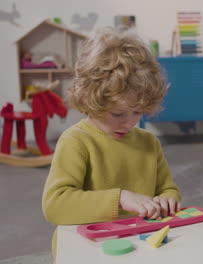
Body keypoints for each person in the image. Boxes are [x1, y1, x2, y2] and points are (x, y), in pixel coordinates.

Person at [42, 27, 181, 257]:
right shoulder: (76, 141)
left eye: (137, 112)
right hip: (88, 249)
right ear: (90, 99)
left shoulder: (148, 142)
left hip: (140, 244)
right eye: (118, 114)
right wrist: (121, 199)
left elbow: (166, 188)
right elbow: (55, 206)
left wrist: (168, 199)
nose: (129, 123)